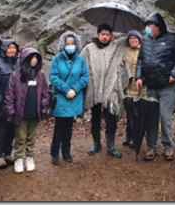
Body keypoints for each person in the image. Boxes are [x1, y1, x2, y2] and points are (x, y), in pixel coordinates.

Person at [136, 12, 175, 161]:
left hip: (167, 85)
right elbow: (140, 60)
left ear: (158, 27)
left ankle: (167, 146)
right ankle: (151, 147)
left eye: (150, 25)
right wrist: (139, 76)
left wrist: (174, 74)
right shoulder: (145, 41)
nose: (147, 29)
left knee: (165, 116)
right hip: (150, 85)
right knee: (151, 117)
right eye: (146, 26)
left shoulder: (172, 39)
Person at [81, 24, 130, 158]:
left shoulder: (116, 51)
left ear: (111, 36)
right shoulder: (88, 49)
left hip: (110, 92)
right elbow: (80, 65)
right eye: (102, 34)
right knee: (95, 119)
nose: (104, 37)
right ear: (98, 35)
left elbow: (123, 69)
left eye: (107, 34)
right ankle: (96, 144)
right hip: (94, 91)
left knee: (111, 120)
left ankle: (111, 146)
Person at [4, 48, 50, 173]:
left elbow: (45, 92)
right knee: (20, 137)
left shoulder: (40, 75)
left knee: (32, 137)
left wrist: (44, 107)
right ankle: (18, 158)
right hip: (20, 112)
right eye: (32, 57)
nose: (34, 60)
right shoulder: (16, 75)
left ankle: (30, 157)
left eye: (36, 58)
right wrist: (11, 111)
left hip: (35, 111)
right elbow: (9, 95)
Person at [49, 31, 89, 165]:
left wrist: (75, 89)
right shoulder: (57, 59)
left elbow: (85, 76)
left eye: (72, 43)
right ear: (63, 45)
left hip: (74, 98)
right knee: (59, 126)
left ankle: (66, 152)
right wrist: (66, 90)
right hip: (61, 97)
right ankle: (55, 153)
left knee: (69, 127)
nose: (70, 46)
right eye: (68, 44)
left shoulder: (80, 60)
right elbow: (53, 77)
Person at [0, 39, 20, 168]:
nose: (11, 51)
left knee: (11, 130)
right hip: (1, 104)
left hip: (16, 104)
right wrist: (0, 101)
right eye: (9, 48)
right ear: (4, 49)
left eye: (14, 48)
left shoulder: (19, 64)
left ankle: (7, 152)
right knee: (0, 131)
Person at [122, 29, 146, 149]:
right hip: (127, 89)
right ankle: (129, 135)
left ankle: (136, 138)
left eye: (135, 38)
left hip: (140, 89)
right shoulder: (124, 51)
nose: (133, 40)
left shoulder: (144, 51)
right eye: (131, 38)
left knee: (138, 115)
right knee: (129, 114)